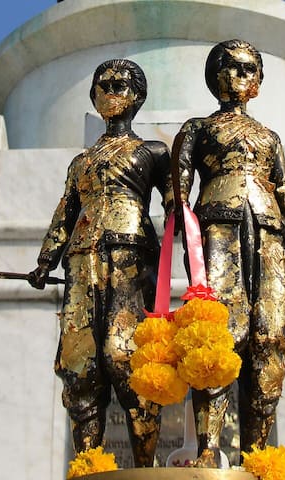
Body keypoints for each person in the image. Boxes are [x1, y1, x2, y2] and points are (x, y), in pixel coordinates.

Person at [168, 39, 285, 467]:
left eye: (248, 69)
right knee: (220, 332)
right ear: (213, 76)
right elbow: (178, 187)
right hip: (216, 228)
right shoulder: (198, 129)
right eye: (230, 67)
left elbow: (284, 188)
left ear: (258, 82)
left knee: (270, 337)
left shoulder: (269, 138)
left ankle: (258, 457)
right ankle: (207, 448)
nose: (239, 76)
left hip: (268, 233)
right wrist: (179, 227)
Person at [27, 59, 172, 466]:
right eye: (103, 85)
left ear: (138, 96)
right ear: (93, 96)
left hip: (131, 256)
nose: (111, 91)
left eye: (121, 84)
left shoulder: (153, 152)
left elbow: (174, 207)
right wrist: (45, 260)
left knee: (124, 357)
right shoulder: (80, 163)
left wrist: (189, 238)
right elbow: (65, 212)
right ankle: (88, 465)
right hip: (81, 261)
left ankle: (144, 466)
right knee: (80, 362)